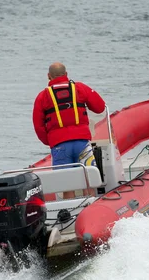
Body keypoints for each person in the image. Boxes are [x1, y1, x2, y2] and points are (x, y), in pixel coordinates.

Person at [32, 62, 106, 199]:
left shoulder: (42, 97)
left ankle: (71, 215)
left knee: (67, 185)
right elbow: (100, 107)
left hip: (60, 146)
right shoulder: (80, 88)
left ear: (49, 76)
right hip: (82, 144)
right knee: (88, 182)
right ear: (66, 74)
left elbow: (38, 126)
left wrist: (51, 142)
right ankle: (90, 208)